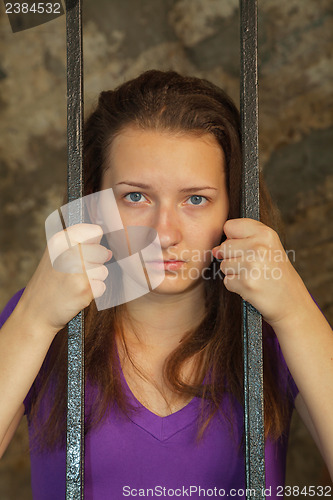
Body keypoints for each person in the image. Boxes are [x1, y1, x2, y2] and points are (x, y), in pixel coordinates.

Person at [0, 70, 332, 499]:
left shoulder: (278, 325)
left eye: (196, 199)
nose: (165, 232)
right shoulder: (39, 318)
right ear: (94, 202)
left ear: (233, 204)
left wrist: (294, 312)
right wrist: (34, 319)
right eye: (135, 196)